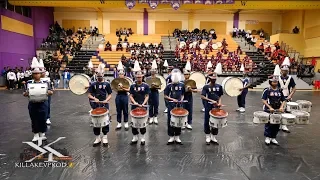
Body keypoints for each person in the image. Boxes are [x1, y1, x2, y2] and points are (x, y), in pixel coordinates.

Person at [23, 58, 53, 142]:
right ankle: (35, 134)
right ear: (32, 74)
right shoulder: (29, 83)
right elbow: (25, 93)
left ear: (40, 74)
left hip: (43, 103)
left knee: (43, 118)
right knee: (34, 119)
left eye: (38, 74)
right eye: (35, 74)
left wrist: (49, 92)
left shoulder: (46, 83)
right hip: (33, 103)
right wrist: (26, 94)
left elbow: (51, 91)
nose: (36, 75)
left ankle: (42, 133)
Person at [88, 71, 112, 147]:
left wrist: (106, 100)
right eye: (98, 77)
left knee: (105, 120)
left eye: (101, 77)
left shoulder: (107, 84)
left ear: (103, 75)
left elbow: (110, 94)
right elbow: (89, 95)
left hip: (104, 104)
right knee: (96, 121)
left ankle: (105, 137)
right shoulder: (93, 84)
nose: (99, 78)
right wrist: (94, 98)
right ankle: (97, 138)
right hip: (95, 105)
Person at [262, 76, 286, 145]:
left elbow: (283, 100)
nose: (275, 83)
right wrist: (270, 107)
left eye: (276, 82)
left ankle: (273, 137)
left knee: (277, 123)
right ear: (270, 82)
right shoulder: (267, 90)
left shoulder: (280, 90)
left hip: (278, 109)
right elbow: (263, 100)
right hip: (269, 109)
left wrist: (281, 107)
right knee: (269, 123)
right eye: (274, 82)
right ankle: (267, 137)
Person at [201, 73, 223, 145]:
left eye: (215, 79)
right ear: (209, 79)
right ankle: (207, 136)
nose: (214, 80)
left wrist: (219, 103)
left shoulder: (219, 86)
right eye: (212, 79)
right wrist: (211, 101)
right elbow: (202, 96)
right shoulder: (206, 87)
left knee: (216, 121)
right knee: (207, 120)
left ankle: (213, 136)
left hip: (216, 106)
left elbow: (219, 96)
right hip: (208, 106)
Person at [129, 71, 150, 145]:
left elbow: (147, 96)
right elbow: (131, 95)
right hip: (134, 106)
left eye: (140, 77)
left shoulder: (146, 86)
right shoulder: (132, 86)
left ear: (142, 77)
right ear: (135, 77)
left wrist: (143, 104)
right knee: (134, 122)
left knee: (142, 122)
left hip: (143, 106)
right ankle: (135, 137)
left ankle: (143, 137)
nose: (139, 78)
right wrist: (134, 102)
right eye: (137, 77)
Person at [278, 64, 296, 133]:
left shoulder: (290, 78)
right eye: (283, 71)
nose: (284, 72)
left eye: (286, 71)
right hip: (279, 97)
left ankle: (284, 125)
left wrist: (290, 95)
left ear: (288, 71)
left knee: (286, 111)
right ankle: (279, 124)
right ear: (281, 71)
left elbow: (294, 88)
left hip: (287, 96)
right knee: (280, 110)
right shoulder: (278, 78)